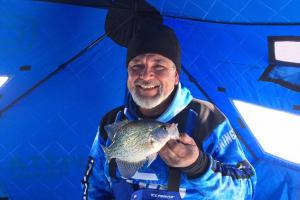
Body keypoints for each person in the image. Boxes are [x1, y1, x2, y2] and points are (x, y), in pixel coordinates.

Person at [82, 25, 256, 200]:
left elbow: (246, 190)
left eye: (159, 66)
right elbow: (93, 187)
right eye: (136, 66)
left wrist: (198, 166)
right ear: (128, 75)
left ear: (176, 77)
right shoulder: (112, 120)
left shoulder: (208, 118)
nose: (146, 75)